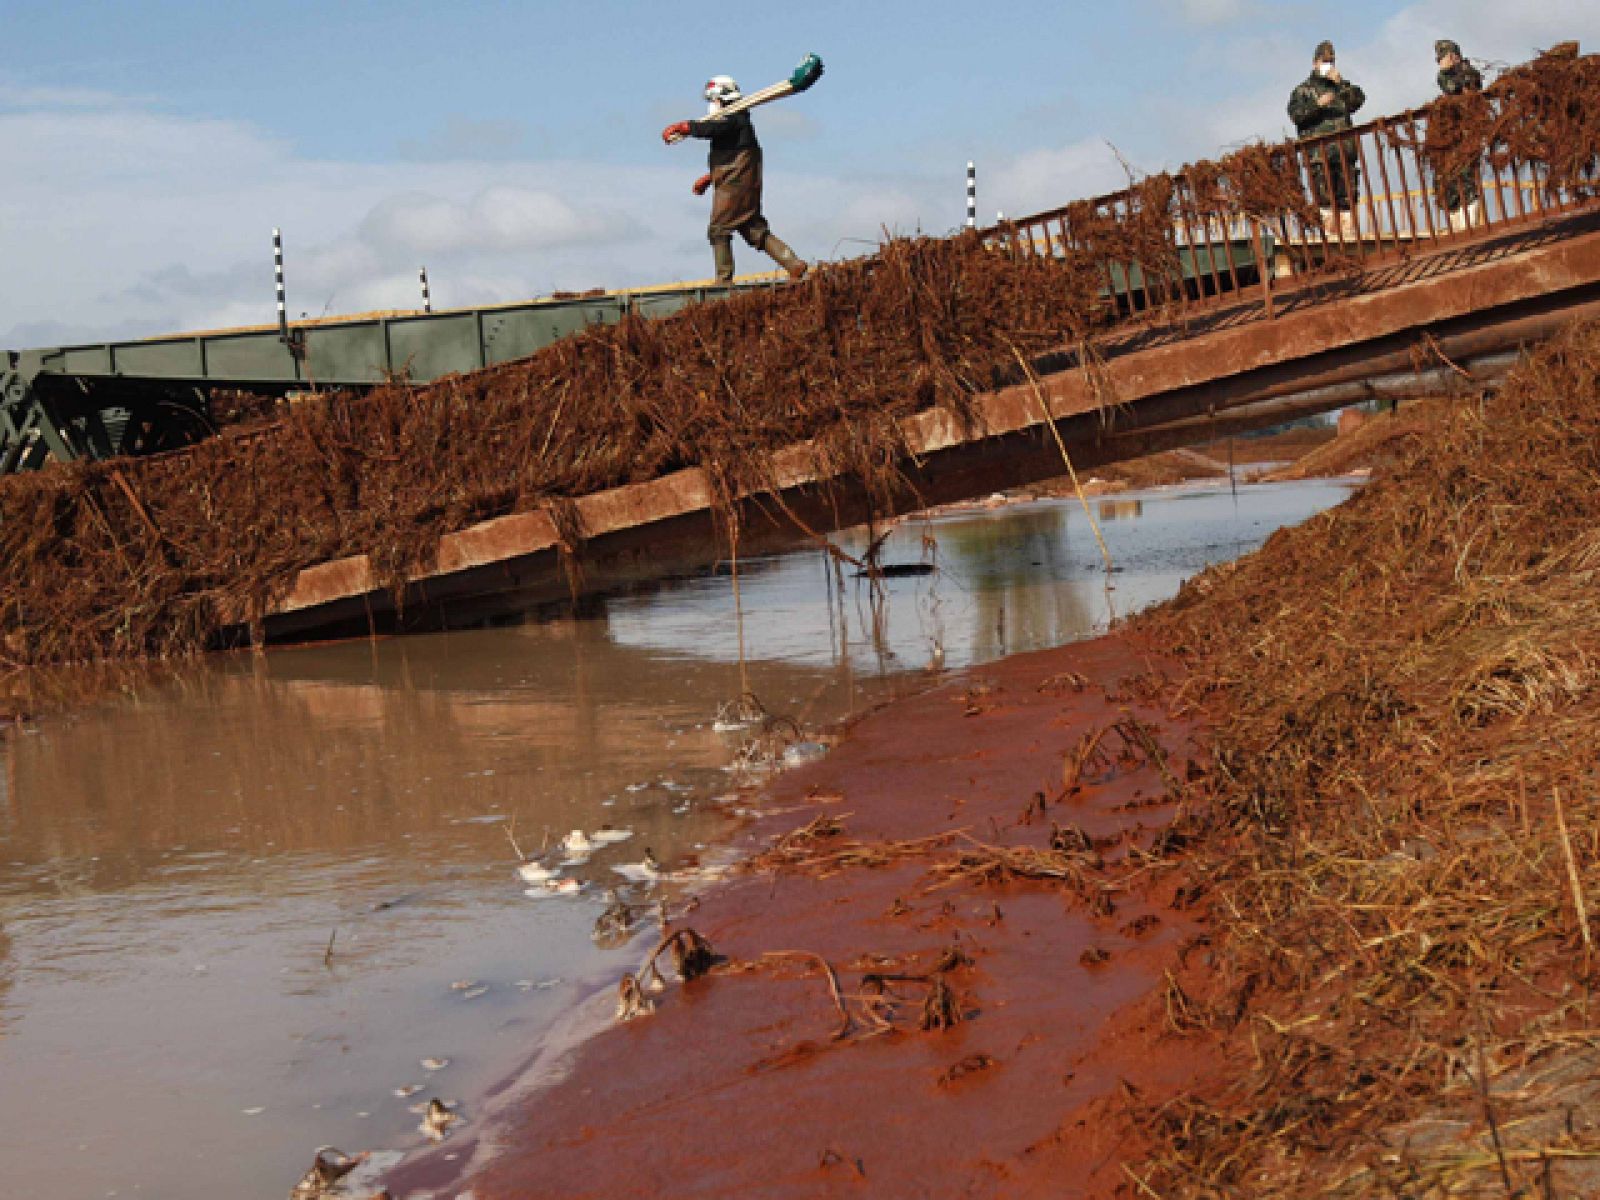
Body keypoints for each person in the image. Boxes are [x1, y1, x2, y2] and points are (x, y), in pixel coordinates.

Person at [661, 75, 808, 284]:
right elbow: (734, 160)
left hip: (736, 184)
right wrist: (710, 178)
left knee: (718, 229)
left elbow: (715, 130)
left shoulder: (735, 118)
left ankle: (724, 281)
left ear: (721, 98)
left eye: (713, 100)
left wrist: (686, 127)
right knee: (752, 227)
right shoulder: (738, 122)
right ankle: (793, 263)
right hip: (740, 182)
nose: (711, 105)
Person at [1288, 40, 1366, 240]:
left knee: (1348, 198)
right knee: (1324, 200)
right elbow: (1296, 115)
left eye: (1331, 61)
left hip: (1345, 153)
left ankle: (1349, 238)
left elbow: (1357, 101)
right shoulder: (1303, 91)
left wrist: (1341, 82)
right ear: (1315, 63)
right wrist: (1318, 104)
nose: (1328, 65)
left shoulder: (1340, 87)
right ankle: (1330, 240)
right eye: (1324, 61)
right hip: (1319, 156)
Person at [1435, 39, 1485, 232]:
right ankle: (1457, 224)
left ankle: (1469, 225)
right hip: (1451, 136)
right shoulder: (1445, 75)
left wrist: (1449, 70)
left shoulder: (1467, 72)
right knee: (1448, 180)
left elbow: (1453, 87)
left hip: (1467, 134)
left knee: (1467, 178)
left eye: (1444, 57)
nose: (1442, 62)